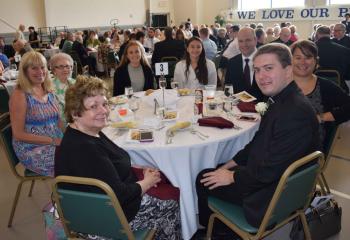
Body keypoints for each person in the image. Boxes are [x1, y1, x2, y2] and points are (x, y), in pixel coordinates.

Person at [196, 43, 320, 233]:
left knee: (202, 178)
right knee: (217, 167)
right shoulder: (284, 99)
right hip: (267, 177)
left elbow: (268, 172)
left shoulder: (294, 113)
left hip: (269, 197)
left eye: (269, 68)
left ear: (288, 71)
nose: (261, 76)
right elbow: (258, 142)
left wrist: (232, 176)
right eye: (257, 70)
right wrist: (231, 163)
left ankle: (219, 232)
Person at [55, 76, 181, 239]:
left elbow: (107, 165)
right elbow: (119, 195)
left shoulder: (89, 132)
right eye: (93, 106)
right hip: (108, 219)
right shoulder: (85, 148)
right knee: (172, 202)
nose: (104, 111)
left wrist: (139, 169)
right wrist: (147, 182)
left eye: (104, 103)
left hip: (100, 209)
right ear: (75, 113)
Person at [9, 51, 63, 177]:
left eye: (42, 67)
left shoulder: (47, 89)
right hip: (32, 148)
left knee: (85, 150)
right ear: (25, 71)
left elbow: (58, 121)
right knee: (76, 161)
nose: (40, 72)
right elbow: (18, 134)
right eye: (34, 68)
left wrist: (70, 136)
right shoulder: (20, 95)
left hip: (54, 139)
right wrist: (53, 140)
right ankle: (62, 194)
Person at [290, 40, 350, 150]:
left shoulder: (325, 86)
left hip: (309, 147)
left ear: (316, 61)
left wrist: (320, 117)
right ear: (291, 60)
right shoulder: (280, 84)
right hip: (279, 140)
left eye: (308, 57)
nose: (303, 62)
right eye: (298, 58)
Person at [225, 27, 264, 101]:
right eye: (241, 41)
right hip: (238, 109)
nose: (244, 44)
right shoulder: (232, 62)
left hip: (263, 109)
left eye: (248, 40)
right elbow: (228, 89)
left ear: (255, 40)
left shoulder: (266, 60)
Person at [315, 25, 350, 93]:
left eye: (337, 30)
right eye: (334, 30)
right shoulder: (344, 50)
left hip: (316, 84)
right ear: (330, 33)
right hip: (339, 84)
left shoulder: (311, 48)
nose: (335, 32)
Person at [50, 53, 76, 126]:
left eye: (68, 66)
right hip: (57, 125)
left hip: (77, 121)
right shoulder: (49, 87)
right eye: (61, 67)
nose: (65, 69)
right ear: (53, 69)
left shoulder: (76, 83)